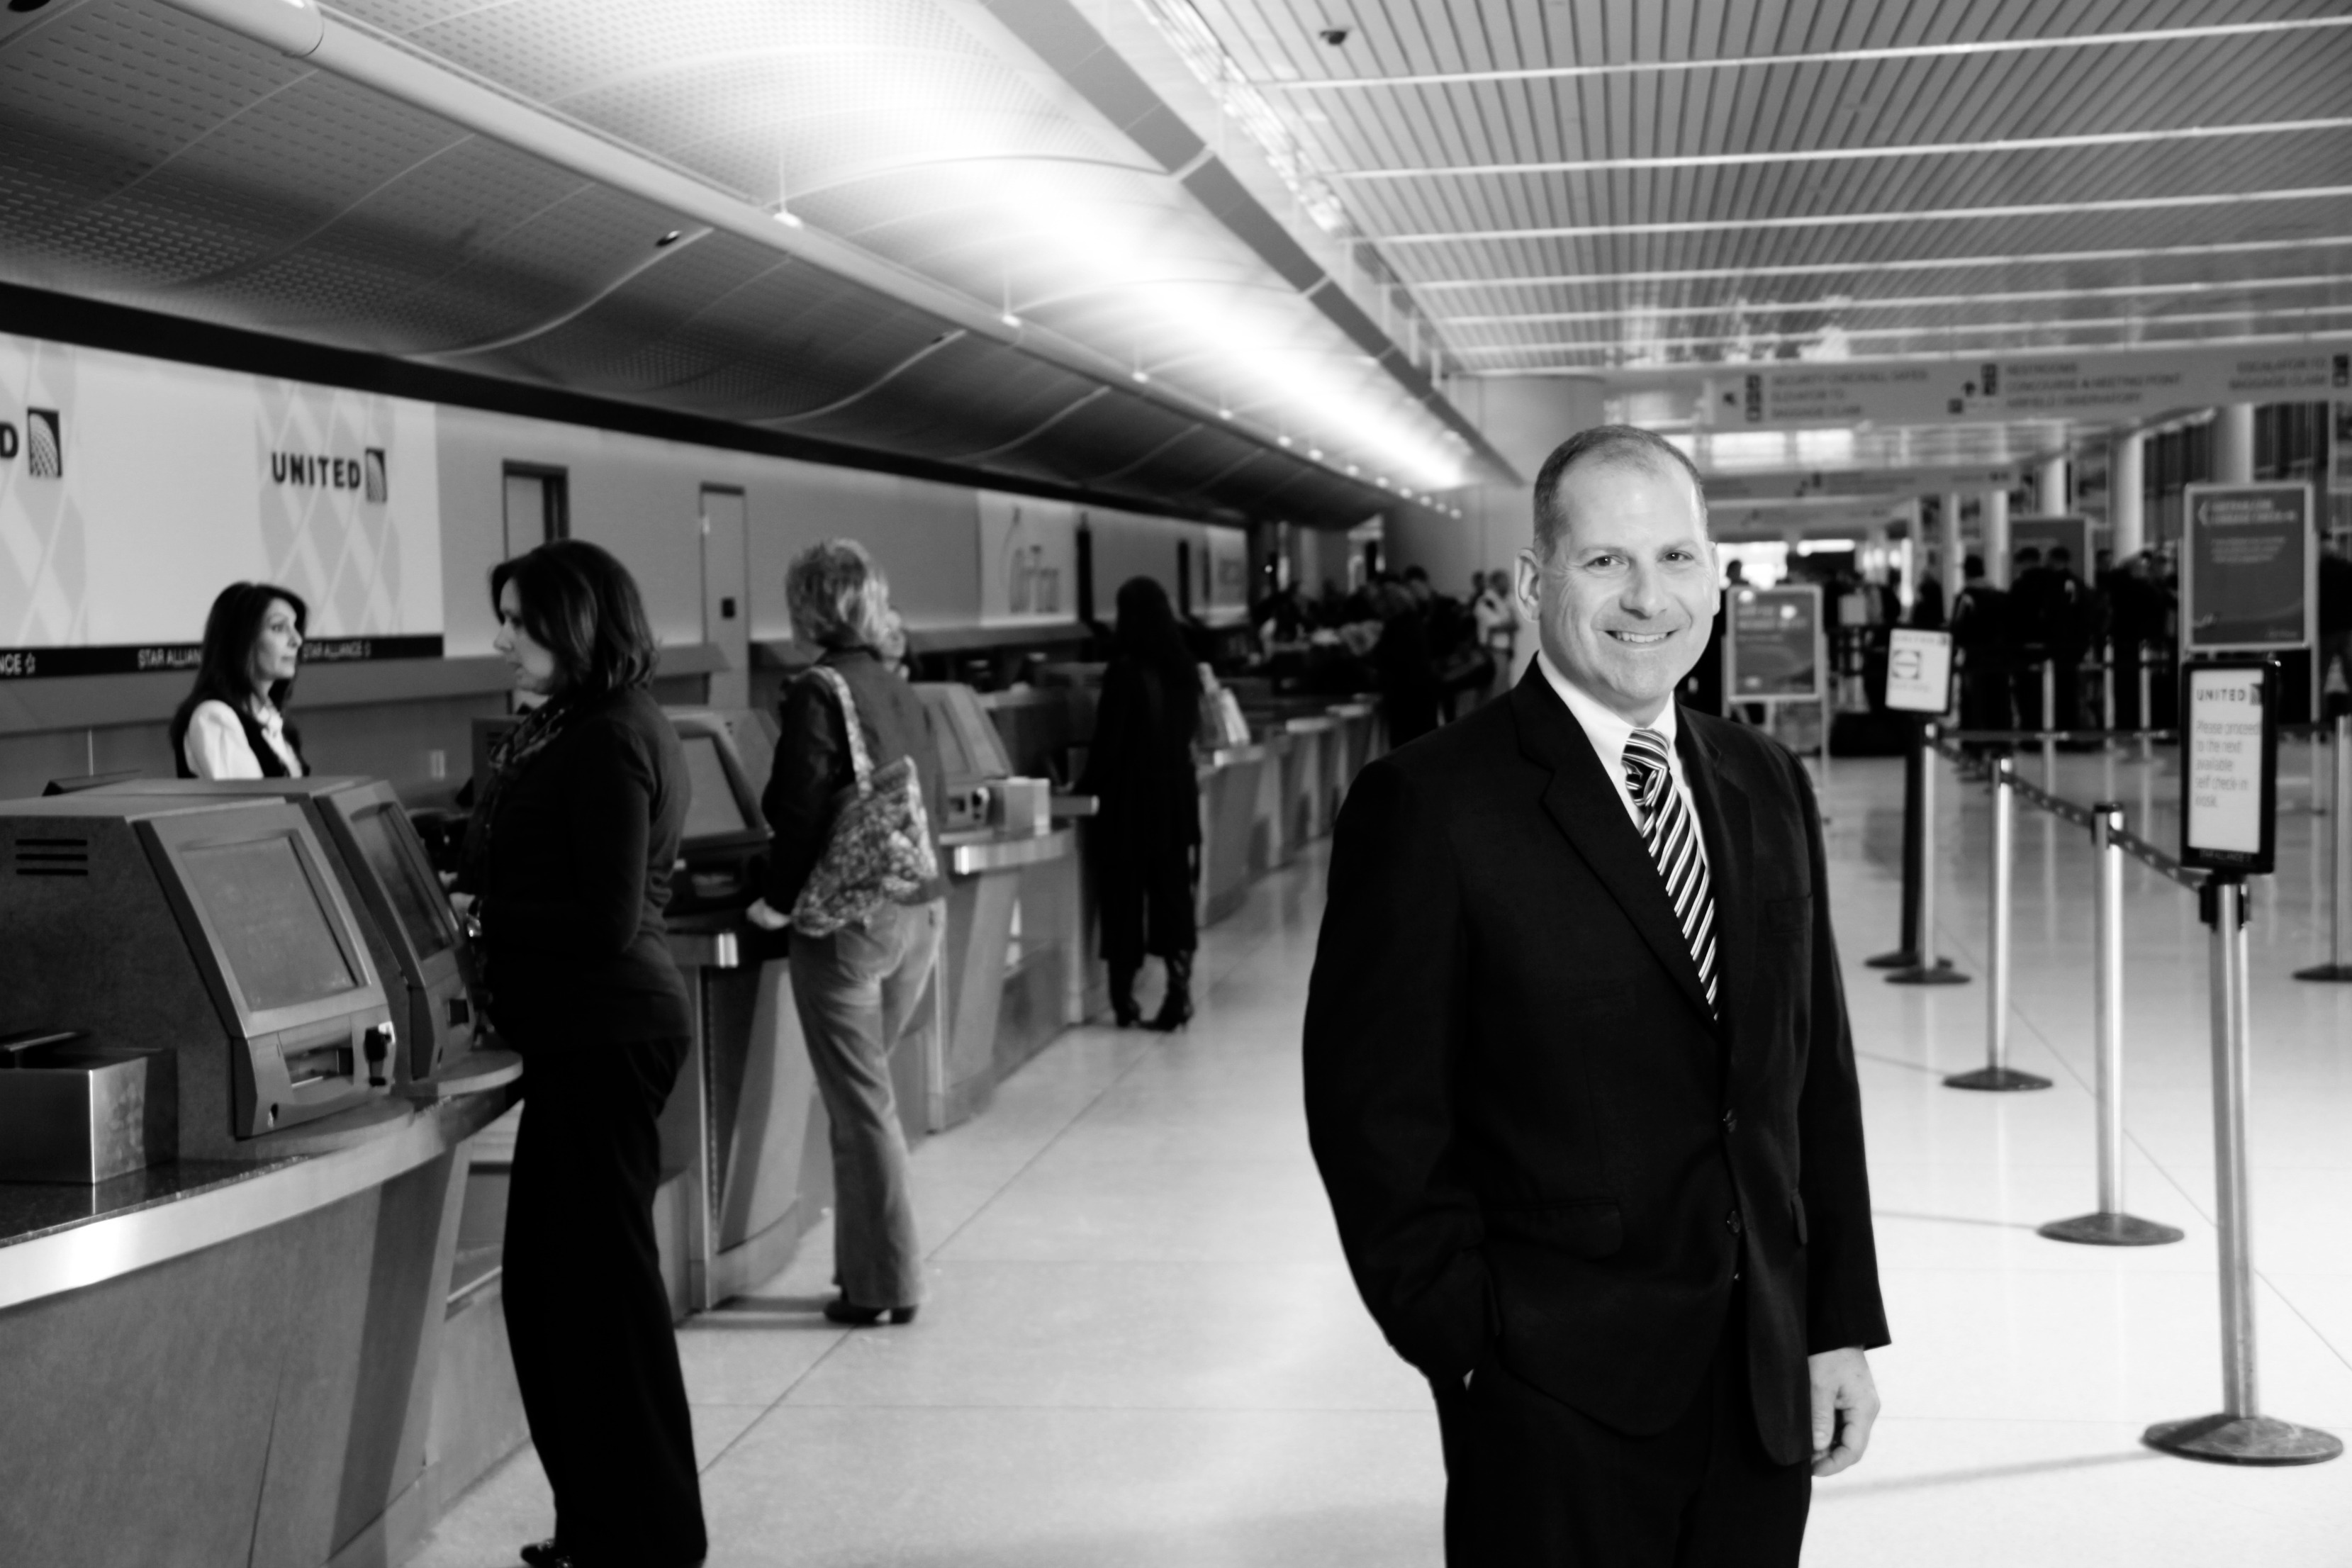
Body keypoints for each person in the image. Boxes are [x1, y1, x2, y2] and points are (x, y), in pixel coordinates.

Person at [1304, 425, 1886, 1567]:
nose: (1645, 598)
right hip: (1550, 1395)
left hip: (1762, 1380)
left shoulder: (1765, 782)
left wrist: (1833, 1327)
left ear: (1713, 577)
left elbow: (1810, 1079)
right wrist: (1468, 1346)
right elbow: (1372, 1112)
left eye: (1674, 559)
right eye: (1604, 561)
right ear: (1534, 581)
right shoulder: (1429, 804)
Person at [457, 539, 706, 1568]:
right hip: (590, 1034)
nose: (502, 635)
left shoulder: (609, 737)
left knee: (596, 1297)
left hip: (609, 1033)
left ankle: (643, 1536)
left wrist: (476, 910)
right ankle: (601, 1522)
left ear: (578, 622)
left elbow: (603, 918)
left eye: (519, 617)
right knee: (555, 1291)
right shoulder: (579, 725)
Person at [749, 539, 948, 1326]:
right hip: (920, 909)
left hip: (849, 925)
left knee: (862, 1107)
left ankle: (887, 1285)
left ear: (808, 605)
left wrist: (775, 898)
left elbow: (797, 809)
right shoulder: (902, 688)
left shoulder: (815, 690)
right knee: (864, 1102)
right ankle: (863, 1272)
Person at [1078, 576, 1204, 1031]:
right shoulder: (1184, 668)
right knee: (1173, 896)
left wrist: (1080, 788)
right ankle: (1178, 994)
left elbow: (1108, 746)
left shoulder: (1126, 671)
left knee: (1124, 897)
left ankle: (1123, 999)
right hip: (1176, 798)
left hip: (1130, 803)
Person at [169, 581, 309, 778]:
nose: (297, 640)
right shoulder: (214, 717)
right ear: (241, 639)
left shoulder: (269, 714)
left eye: (295, 627)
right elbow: (253, 805)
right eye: (278, 628)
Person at [1949, 554, 2012, 741]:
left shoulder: (1967, 597)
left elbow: (1958, 626)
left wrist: (1952, 652)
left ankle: (1975, 747)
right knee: (1999, 701)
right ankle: (2001, 745)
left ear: (1966, 573)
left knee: (1974, 703)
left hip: (1975, 657)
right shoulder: (2000, 595)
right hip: (2000, 658)